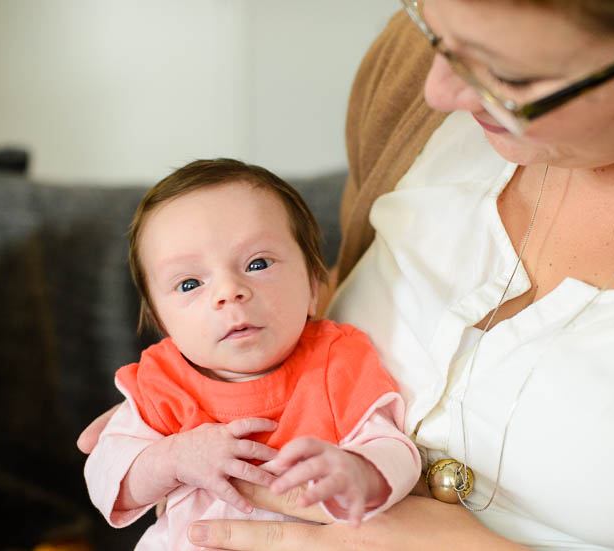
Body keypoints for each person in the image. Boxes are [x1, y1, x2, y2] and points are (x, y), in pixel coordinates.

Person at [80, 1, 614, 549]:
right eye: (430, 27)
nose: (439, 92)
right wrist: (173, 431)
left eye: (507, 73)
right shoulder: (413, 84)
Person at [83, 159, 420, 550]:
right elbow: (107, 481)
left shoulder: (334, 363)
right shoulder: (161, 384)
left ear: (314, 285)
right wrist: (172, 459)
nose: (229, 291)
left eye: (257, 263)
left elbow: (395, 447)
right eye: (190, 283)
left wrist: (361, 471)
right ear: (162, 321)